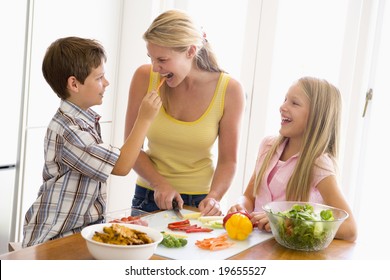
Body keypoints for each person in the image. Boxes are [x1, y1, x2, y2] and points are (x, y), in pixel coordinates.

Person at [22, 36, 161, 247]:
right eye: (99, 77)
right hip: (54, 238)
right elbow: (122, 166)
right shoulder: (69, 129)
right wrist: (144, 119)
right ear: (74, 84)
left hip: (77, 233)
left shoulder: (83, 121)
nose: (106, 83)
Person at [124, 10, 245, 216]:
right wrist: (159, 183)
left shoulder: (230, 90)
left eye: (162, 59)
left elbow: (228, 160)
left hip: (199, 203)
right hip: (149, 195)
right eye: (151, 58)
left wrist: (214, 197)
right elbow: (131, 147)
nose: (155, 68)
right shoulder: (144, 78)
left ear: (190, 51)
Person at [228, 77, 357, 241]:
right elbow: (249, 197)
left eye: (294, 103)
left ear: (316, 116)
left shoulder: (318, 163)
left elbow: (350, 229)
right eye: (285, 100)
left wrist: (285, 221)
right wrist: (241, 206)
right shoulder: (268, 146)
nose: (283, 107)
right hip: (254, 245)